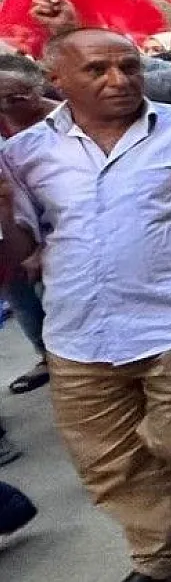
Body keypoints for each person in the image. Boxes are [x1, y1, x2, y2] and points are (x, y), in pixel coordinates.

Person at [0, 28, 171, 582]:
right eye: (97, 70)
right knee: (110, 459)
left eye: (128, 66)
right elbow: (22, 253)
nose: (118, 80)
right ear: (58, 80)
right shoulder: (24, 154)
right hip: (77, 334)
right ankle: (162, 553)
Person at [0, 55, 54, 399]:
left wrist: (43, 246)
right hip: (11, 229)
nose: (6, 105)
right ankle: (49, 357)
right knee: (20, 296)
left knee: (54, 296)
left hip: (55, 229)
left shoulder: (64, 122)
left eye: (14, 97)